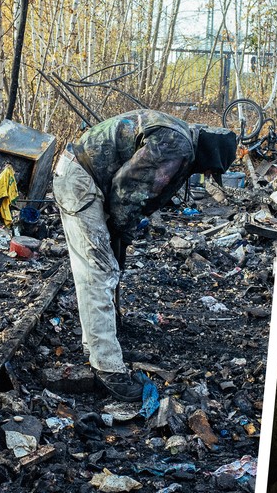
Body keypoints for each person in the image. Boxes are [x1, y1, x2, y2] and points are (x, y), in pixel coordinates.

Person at [53, 109, 237, 401]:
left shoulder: (181, 136)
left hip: (85, 176)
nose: (206, 175)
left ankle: (100, 344)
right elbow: (127, 189)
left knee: (100, 268)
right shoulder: (177, 146)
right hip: (82, 181)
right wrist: (121, 228)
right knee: (98, 270)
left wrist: (120, 230)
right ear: (209, 157)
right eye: (210, 170)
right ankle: (107, 368)